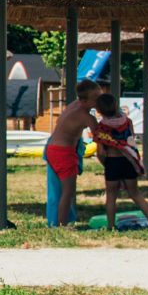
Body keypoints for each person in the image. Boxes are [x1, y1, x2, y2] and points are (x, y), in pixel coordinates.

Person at [90, 92, 148, 229]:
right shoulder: (128, 122)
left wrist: (106, 164)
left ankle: (110, 226)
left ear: (98, 111)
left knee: (111, 196)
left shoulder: (101, 128)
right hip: (128, 161)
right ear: (116, 106)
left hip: (112, 161)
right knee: (135, 193)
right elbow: (130, 142)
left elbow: (100, 152)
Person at [44, 81, 101, 226]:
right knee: (68, 191)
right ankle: (63, 224)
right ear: (84, 100)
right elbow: (100, 135)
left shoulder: (74, 105)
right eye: (95, 98)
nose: (98, 100)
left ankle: (58, 220)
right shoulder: (86, 116)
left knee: (57, 190)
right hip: (64, 152)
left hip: (51, 148)